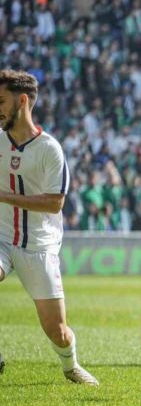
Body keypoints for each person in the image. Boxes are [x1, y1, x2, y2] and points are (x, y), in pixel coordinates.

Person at [0, 70, 98, 385]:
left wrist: (3, 196)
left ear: (22, 101)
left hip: (39, 246)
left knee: (58, 332)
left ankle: (71, 366)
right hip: (1, 237)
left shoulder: (49, 149)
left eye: (1, 101)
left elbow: (55, 203)